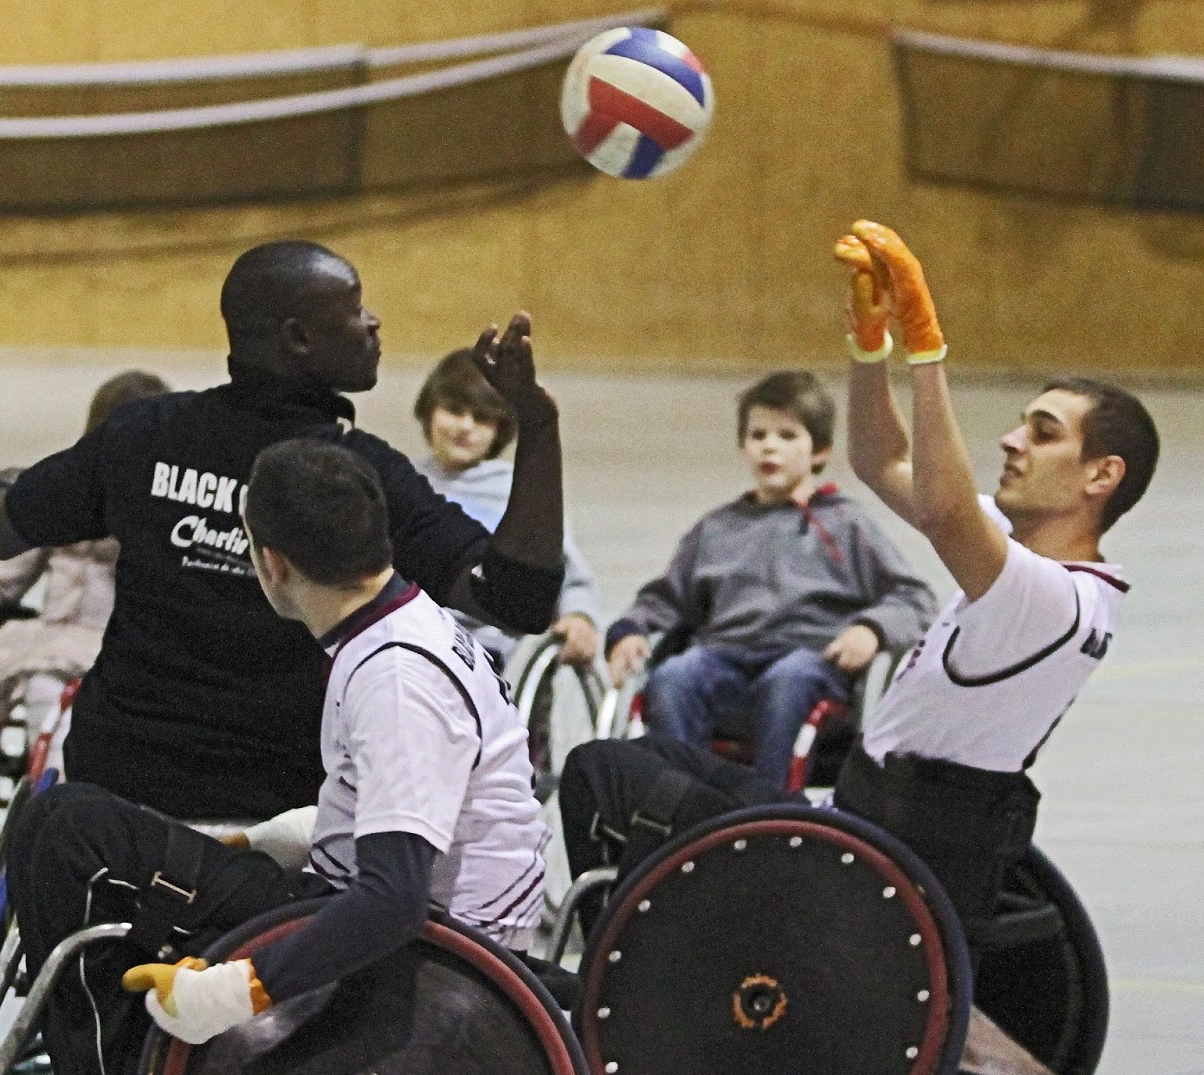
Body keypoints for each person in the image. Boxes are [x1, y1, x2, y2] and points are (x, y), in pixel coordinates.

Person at [563, 220, 1159, 944]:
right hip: (861, 823)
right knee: (642, 755)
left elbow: (940, 508)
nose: (1010, 440)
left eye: (1042, 432)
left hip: (869, 865)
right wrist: (871, 347)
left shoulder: (1055, 601)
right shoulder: (1026, 556)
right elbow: (882, 461)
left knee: (600, 774)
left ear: (1101, 476)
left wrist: (926, 346)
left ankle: (624, 960)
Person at [7, 439, 551, 1075]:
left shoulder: (395, 678)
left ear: (272, 564)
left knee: (74, 833)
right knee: (60, 820)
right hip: (387, 909)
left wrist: (238, 992)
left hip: (435, 960)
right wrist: (285, 836)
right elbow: (419, 805)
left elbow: (394, 898)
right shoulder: (399, 626)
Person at [0, 241, 567, 821]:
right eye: (355, 310)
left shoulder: (144, 436)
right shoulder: (355, 475)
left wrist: (8, 485)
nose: (373, 323)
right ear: (298, 339)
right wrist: (537, 422)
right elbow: (516, 597)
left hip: (115, 792)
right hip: (278, 809)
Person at [604, 370, 936, 787]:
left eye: (787, 435)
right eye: (758, 435)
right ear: (743, 446)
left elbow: (914, 598)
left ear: (819, 451)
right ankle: (679, 808)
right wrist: (631, 629)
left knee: (788, 680)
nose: (770, 446)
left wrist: (870, 630)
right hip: (724, 658)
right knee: (673, 677)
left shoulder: (846, 524)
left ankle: (769, 811)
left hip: (807, 660)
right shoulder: (717, 528)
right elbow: (667, 598)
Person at [0, 370, 168, 879]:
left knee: (44, 688)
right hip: (45, 636)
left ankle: (42, 842)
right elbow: (4, 581)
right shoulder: (71, 490)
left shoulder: (160, 505)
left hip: (104, 643)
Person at [412, 349, 602, 670]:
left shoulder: (519, 491)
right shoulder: (402, 482)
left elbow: (568, 571)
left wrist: (578, 617)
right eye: (454, 411)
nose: (465, 426)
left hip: (490, 646)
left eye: (481, 417)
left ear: (500, 428)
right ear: (429, 412)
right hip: (413, 633)